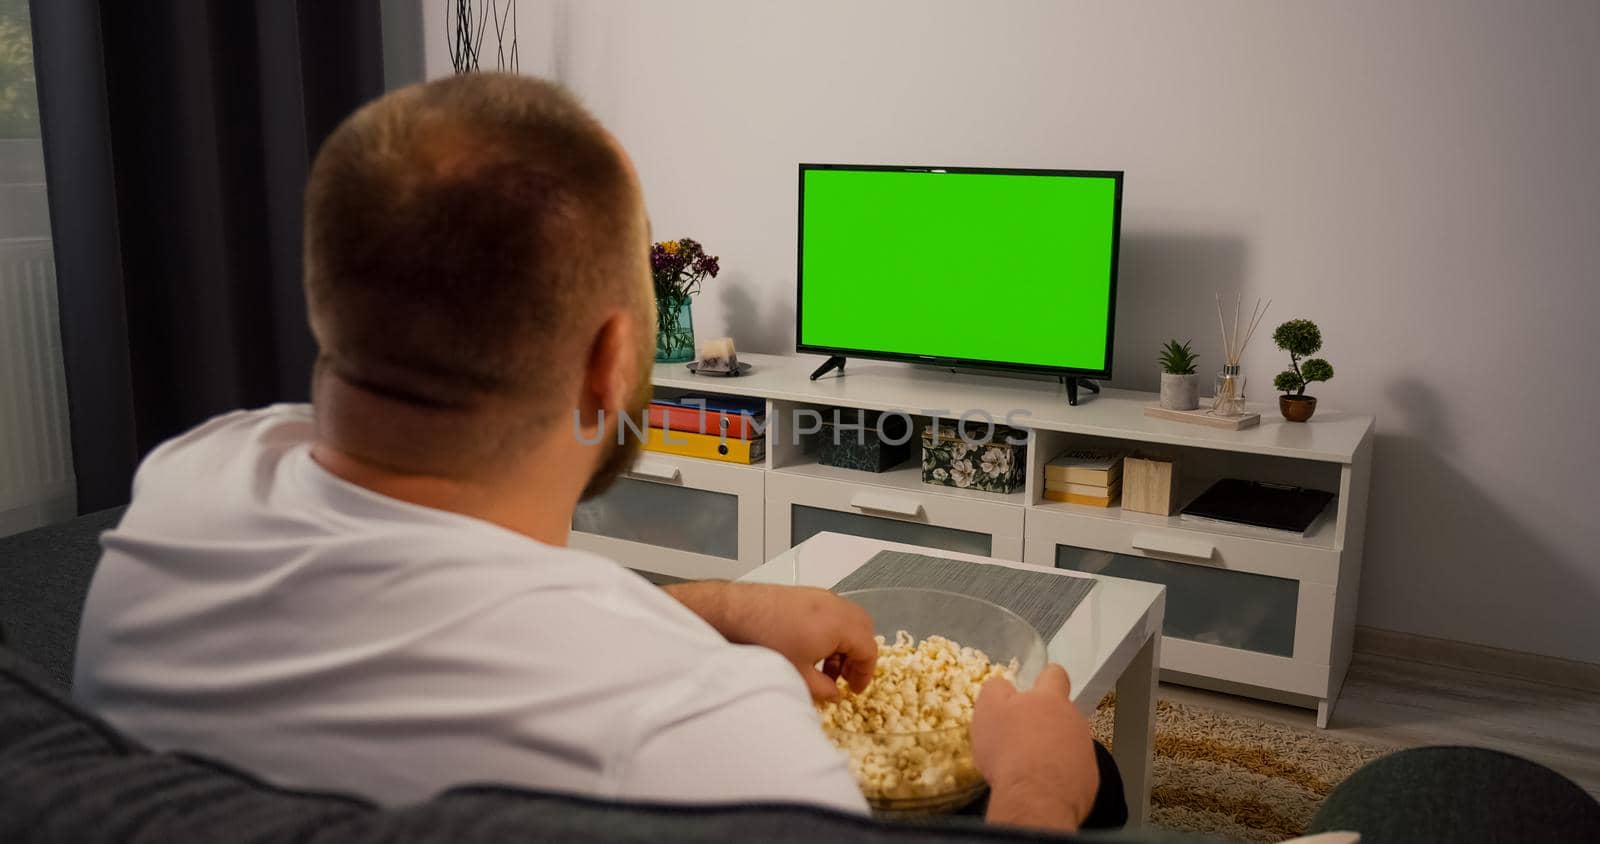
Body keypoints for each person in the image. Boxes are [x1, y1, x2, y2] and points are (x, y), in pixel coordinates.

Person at [72, 73, 1116, 833]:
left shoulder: (184, 485)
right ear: (615, 352)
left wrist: (713, 608)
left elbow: (419, 612)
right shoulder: (701, 735)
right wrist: (1035, 789)